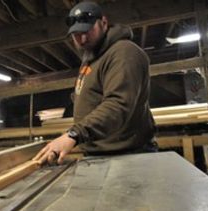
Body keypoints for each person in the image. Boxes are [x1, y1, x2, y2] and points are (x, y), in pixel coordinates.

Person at [34, 1, 156, 165]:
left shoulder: (124, 53)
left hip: (127, 156)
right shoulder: (91, 58)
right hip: (101, 154)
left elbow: (118, 105)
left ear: (104, 23)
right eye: (76, 35)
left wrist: (74, 135)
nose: (82, 39)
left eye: (87, 31)